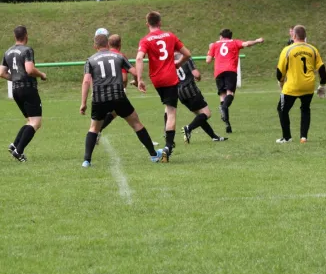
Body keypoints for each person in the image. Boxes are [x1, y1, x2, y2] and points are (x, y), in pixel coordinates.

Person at [79, 34, 162, 167]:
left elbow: (86, 81)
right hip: (118, 96)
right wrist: (138, 81)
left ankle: (86, 161)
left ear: (95, 46)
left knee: (94, 128)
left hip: (99, 98)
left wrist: (83, 103)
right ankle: (153, 155)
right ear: (107, 44)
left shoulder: (90, 60)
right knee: (136, 123)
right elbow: (134, 71)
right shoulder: (119, 56)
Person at [136, 11, 192, 162]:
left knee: (167, 107)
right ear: (160, 23)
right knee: (172, 111)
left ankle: (168, 140)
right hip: (170, 78)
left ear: (147, 23)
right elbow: (187, 54)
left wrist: (140, 79)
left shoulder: (145, 40)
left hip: (157, 80)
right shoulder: (170, 36)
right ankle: (168, 146)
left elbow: (139, 58)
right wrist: (178, 63)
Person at [0, 25, 47, 162]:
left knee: (30, 120)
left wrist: (14, 78)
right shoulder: (27, 50)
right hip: (28, 88)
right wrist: (42, 75)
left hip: (15, 89)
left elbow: (2, 72)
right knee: (36, 122)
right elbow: (30, 70)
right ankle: (19, 151)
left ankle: (14, 145)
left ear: (15, 37)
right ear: (26, 35)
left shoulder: (8, 51)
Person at [275, 25, 326, 143]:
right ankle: (303, 137)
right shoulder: (313, 49)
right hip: (308, 86)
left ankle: (287, 137)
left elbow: (279, 71)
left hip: (292, 86)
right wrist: (322, 85)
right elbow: (322, 68)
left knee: (282, 109)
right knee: (305, 109)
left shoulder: (287, 49)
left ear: (294, 36)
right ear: (305, 36)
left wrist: (280, 82)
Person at [206, 29, 264, 133]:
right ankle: (223, 108)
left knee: (222, 96)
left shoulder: (215, 45)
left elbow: (208, 60)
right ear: (230, 36)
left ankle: (227, 124)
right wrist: (257, 40)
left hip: (218, 72)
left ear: (221, 36)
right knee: (230, 94)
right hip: (230, 70)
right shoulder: (234, 42)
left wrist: (210, 50)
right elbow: (246, 44)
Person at [175, 52, 228, 143]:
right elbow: (196, 74)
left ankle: (214, 137)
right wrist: (198, 77)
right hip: (191, 91)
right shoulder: (186, 58)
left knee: (200, 117)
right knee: (207, 114)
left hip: (180, 93)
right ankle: (188, 128)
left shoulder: (170, 61)